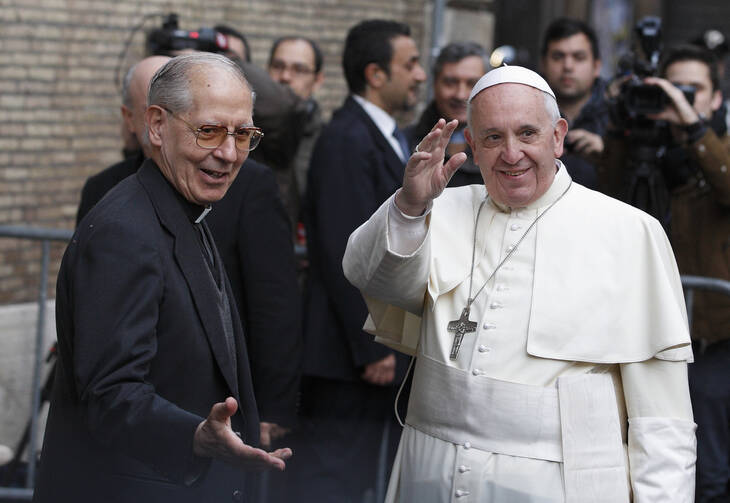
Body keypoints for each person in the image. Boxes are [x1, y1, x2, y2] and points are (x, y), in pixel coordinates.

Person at [343, 65, 696, 502]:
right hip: (428, 476)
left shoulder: (630, 232)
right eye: (492, 137)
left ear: (558, 135)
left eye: (527, 134)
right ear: (471, 145)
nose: (511, 154)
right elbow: (367, 274)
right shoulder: (438, 209)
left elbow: (663, 420)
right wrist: (409, 206)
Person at [35, 53, 292, 503]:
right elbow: (111, 393)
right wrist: (194, 435)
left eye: (243, 135)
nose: (229, 154)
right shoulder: (124, 232)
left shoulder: (184, 209)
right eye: (208, 131)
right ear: (155, 125)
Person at [289, 19, 426, 502]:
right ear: (375, 73)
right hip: (348, 357)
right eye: (409, 64)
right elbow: (340, 251)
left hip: (370, 350)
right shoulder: (347, 139)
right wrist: (372, 346)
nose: (420, 75)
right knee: (331, 479)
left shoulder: (389, 135)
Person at [601, 44, 730, 502]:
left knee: (707, 467)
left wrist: (693, 129)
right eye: (670, 88)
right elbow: (605, 200)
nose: (678, 99)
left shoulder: (716, 148)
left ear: (716, 98)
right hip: (641, 333)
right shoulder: (644, 147)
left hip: (712, 337)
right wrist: (618, 125)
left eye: (690, 90)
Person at [405, 41, 487, 187]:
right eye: (450, 82)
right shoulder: (404, 145)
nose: (460, 94)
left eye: (472, 83)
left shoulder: (504, 150)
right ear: (434, 84)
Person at [540, 17, 609, 189]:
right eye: (558, 57)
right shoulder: (524, 111)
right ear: (543, 64)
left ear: (597, 66)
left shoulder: (618, 116)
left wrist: (608, 156)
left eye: (579, 57)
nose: (568, 66)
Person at [267, 36, 325, 224]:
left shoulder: (327, 140)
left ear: (317, 80)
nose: (285, 77)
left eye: (299, 70)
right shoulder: (247, 135)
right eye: (277, 66)